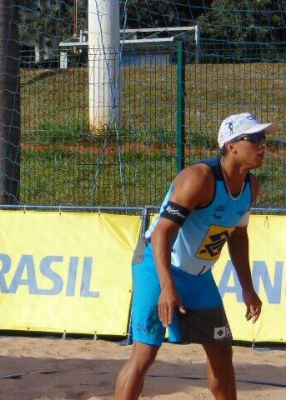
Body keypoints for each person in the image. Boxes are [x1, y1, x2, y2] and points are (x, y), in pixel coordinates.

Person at [115, 112, 274, 400]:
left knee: (222, 350)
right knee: (144, 353)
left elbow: (238, 238)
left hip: (198, 276)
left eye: (264, 137)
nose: (263, 144)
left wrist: (248, 289)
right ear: (231, 145)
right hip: (156, 264)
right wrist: (167, 287)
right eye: (255, 138)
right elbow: (162, 233)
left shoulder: (251, 187)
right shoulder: (198, 178)